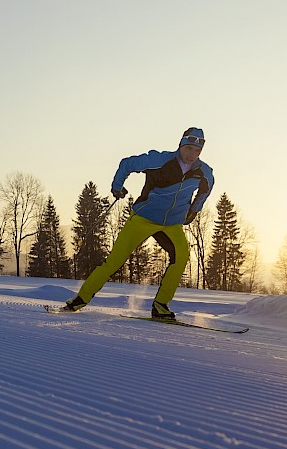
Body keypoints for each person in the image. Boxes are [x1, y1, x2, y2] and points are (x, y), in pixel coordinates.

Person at [59, 127, 213, 321]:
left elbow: (206, 190)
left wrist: (194, 210)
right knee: (114, 261)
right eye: (189, 148)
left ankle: (160, 306)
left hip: (171, 224)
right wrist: (117, 186)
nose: (192, 154)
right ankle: (79, 300)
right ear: (181, 145)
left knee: (181, 257)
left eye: (197, 151)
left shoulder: (204, 172)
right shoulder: (158, 160)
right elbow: (127, 163)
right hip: (143, 218)